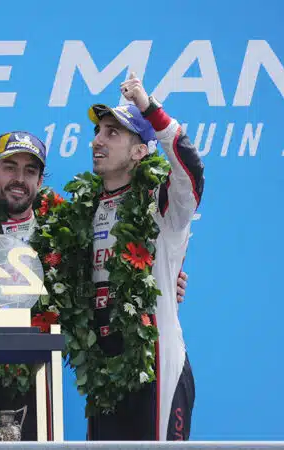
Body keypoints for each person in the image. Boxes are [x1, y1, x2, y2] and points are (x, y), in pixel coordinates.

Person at [0, 58, 191, 441]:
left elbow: (119, 262)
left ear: (40, 179)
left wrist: (169, 279)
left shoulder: (60, 230)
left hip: (38, 384)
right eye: (9, 167)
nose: (19, 179)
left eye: (30, 170)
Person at [84, 73, 204, 441]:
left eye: (112, 133)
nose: (97, 141)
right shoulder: (82, 211)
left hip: (157, 369)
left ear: (139, 151)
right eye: (98, 131)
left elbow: (192, 173)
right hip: (104, 372)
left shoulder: (162, 205)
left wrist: (149, 108)